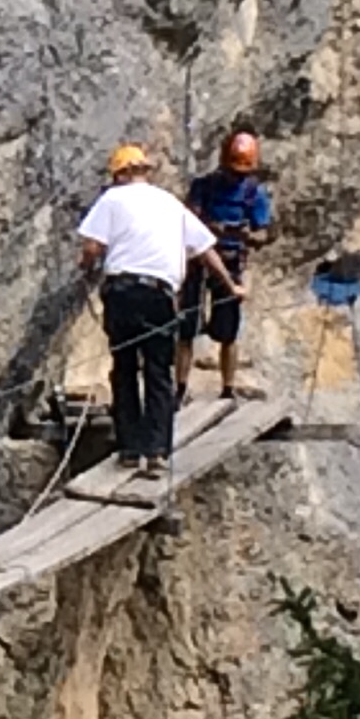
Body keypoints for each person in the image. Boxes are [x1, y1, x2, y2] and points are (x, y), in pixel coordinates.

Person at [74, 148, 234, 480]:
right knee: (158, 371)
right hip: (159, 294)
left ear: (120, 173)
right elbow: (205, 249)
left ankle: (130, 449)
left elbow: (92, 247)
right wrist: (231, 285)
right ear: (145, 171)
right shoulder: (170, 204)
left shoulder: (112, 199)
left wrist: (86, 268)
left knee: (125, 367)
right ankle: (157, 451)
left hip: (122, 292)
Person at [180, 130, 275, 402]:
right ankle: (180, 386)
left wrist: (246, 236)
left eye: (242, 173)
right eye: (233, 171)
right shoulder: (204, 186)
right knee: (187, 326)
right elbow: (189, 218)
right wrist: (211, 228)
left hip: (231, 260)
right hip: (199, 260)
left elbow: (264, 233)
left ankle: (227, 388)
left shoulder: (254, 193)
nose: (236, 177)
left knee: (228, 331)